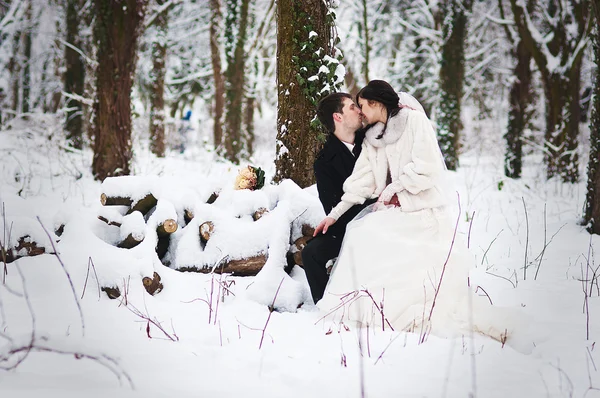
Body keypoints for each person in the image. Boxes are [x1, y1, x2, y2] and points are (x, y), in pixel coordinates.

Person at [314, 80, 520, 341]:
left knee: (387, 242)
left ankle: (414, 309)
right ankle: (372, 307)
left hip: (422, 209)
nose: (361, 112)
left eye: (363, 105)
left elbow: (427, 168)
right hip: (393, 211)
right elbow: (361, 183)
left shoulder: (413, 122)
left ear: (376, 104)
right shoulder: (371, 136)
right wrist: (334, 214)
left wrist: (394, 190)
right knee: (361, 234)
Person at [302, 92, 376, 304]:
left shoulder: (373, 139)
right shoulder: (324, 162)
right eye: (352, 107)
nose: (359, 111)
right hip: (348, 226)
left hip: (386, 214)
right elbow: (332, 206)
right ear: (338, 117)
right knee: (311, 253)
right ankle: (327, 305)